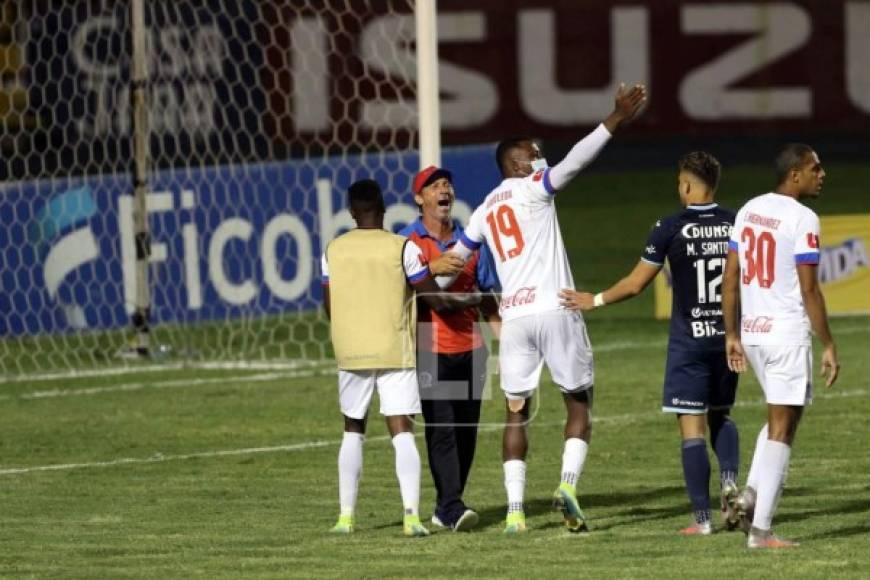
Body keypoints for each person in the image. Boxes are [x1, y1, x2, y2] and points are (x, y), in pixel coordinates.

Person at [437, 83, 647, 533]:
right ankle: (568, 486)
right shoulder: (534, 187)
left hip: (514, 318)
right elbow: (576, 160)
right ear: (517, 163)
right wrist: (615, 118)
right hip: (555, 306)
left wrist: (428, 273)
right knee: (578, 401)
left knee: (516, 411)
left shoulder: (482, 211)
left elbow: (452, 262)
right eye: (534, 152)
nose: (540, 157)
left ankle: (515, 512)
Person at [559, 151, 741, 535]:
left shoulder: (670, 227)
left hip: (689, 343)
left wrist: (595, 299)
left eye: (679, 182)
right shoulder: (735, 223)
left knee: (692, 428)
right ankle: (728, 479)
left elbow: (636, 283)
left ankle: (703, 521)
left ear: (687, 185)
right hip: (726, 339)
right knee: (721, 414)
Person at [322, 179, 472, 537]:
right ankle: (410, 517)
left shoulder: (333, 249)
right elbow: (432, 297)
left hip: (351, 350)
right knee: (402, 431)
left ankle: (345, 518)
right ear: (385, 208)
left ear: (350, 211)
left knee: (353, 430)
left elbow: (328, 305)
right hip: (395, 349)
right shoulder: (402, 247)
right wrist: (472, 301)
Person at [722, 143, 840, 549]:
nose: (821, 174)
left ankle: (748, 498)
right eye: (815, 168)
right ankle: (761, 531)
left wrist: (732, 333)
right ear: (794, 174)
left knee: (781, 419)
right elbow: (810, 289)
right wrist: (827, 342)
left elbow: (731, 276)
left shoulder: (749, 209)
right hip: (785, 335)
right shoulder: (804, 218)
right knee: (782, 429)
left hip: (754, 333)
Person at [399, 165, 501, 532]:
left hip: (473, 347)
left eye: (447, 185)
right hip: (429, 345)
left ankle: (447, 505)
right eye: (435, 185)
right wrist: (430, 266)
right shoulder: (407, 241)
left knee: (466, 431)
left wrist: (507, 342)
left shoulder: (472, 243)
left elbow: (488, 296)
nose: (444, 190)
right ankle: (452, 506)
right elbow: (396, 292)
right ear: (419, 197)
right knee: (441, 428)